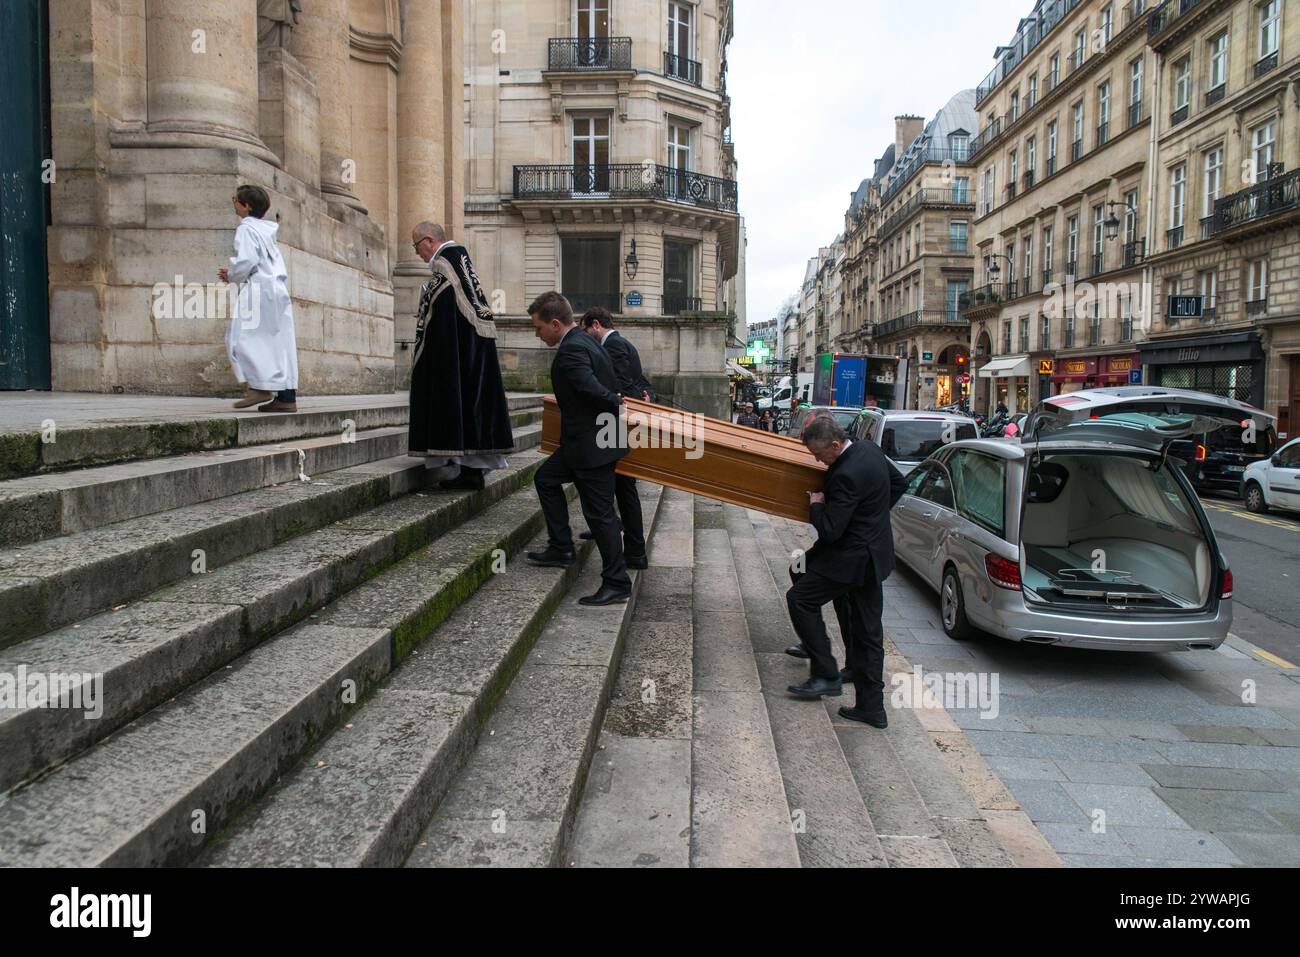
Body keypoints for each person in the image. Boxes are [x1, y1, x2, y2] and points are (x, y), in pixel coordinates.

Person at [785, 416, 908, 727]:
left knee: (800, 599)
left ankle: (826, 674)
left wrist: (816, 504)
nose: (817, 461)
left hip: (850, 559)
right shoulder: (869, 449)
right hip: (871, 553)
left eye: (819, 454)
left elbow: (830, 531)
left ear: (836, 445)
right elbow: (899, 483)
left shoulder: (845, 475)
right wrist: (872, 516)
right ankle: (868, 701)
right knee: (802, 571)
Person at [526, 292, 632, 606]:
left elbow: (588, 386)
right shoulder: (587, 342)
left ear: (555, 323)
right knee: (545, 479)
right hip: (587, 442)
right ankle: (561, 546)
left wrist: (615, 400)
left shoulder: (572, 349)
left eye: (538, 328)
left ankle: (617, 582)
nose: (537, 334)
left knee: (600, 516)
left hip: (591, 445)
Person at [406, 222, 514, 491]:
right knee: (472, 405)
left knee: (459, 401)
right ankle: (470, 468)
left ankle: (468, 470)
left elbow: (440, 334)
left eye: (416, 246)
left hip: (456, 362)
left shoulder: (445, 275)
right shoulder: (462, 271)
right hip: (474, 358)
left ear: (429, 241)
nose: (417, 253)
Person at [576, 308, 650, 570]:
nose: (586, 337)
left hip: (616, 424)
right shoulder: (623, 343)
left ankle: (634, 550)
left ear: (595, 324)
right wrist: (645, 394)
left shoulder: (615, 345)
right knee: (619, 486)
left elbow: (617, 385)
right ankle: (623, 538)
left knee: (624, 488)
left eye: (586, 331)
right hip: (619, 423)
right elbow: (639, 382)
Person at [219, 185, 299, 413]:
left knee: (240, 336)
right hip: (277, 289)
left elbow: (246, 261)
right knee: (279, 342)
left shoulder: (246, 229)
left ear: (247, 206)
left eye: (236, 199)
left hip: (259, 289)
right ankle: (286, 397)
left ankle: (259, 386)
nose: (233, 202)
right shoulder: (266, 231)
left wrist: (232, 275)